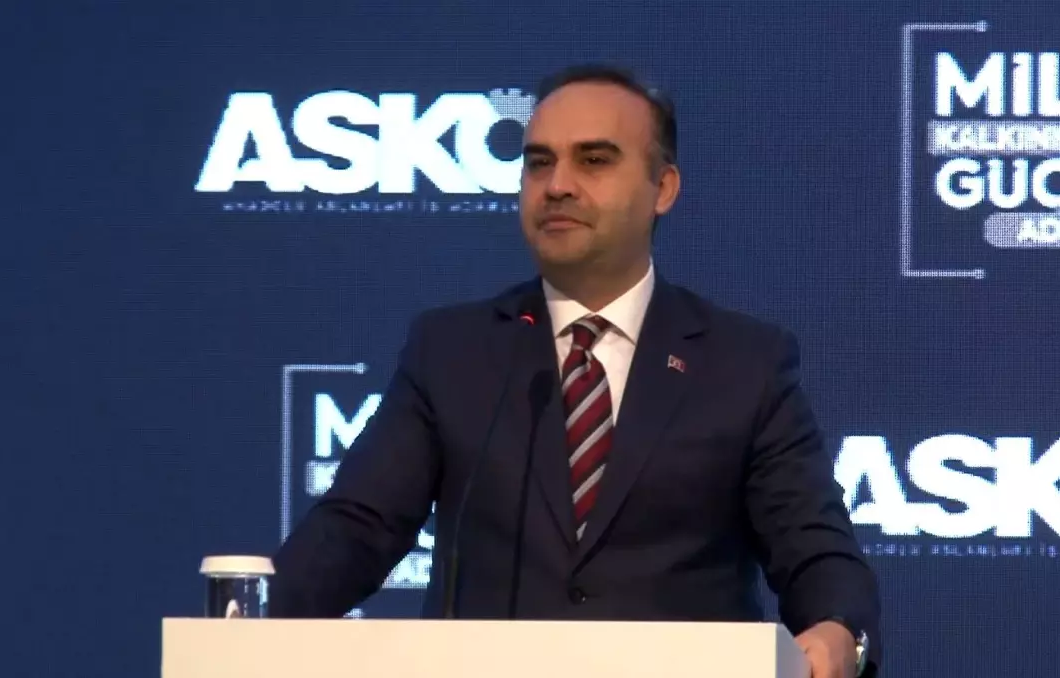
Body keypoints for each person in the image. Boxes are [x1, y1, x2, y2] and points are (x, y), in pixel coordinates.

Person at [271, 64, 881, 678]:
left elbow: (814, 550)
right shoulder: (454, 350)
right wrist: (247, 627)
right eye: (539, 163)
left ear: (663, 187)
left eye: (593, 160)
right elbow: (357, 529)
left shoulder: (744, 362)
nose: (557, 185)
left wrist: (837, 632)